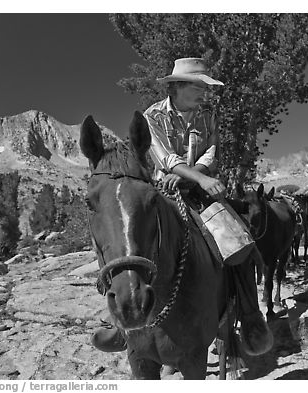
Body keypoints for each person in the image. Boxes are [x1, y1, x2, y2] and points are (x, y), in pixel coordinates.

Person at [91, 57, 273, 357]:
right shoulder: (153, 116)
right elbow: (165, 159)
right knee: (125, 238)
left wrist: (200, 177)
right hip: (162, 190)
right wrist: (194, 177)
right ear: (177, 87)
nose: (205, 93)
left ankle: (251, 320)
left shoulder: (208, 114)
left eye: (206, 87)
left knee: (239, 242)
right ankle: (122, 323)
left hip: (201, 190)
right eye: (199, 86)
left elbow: (211, 151)